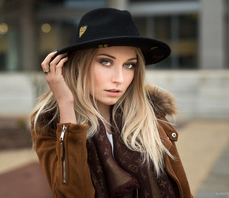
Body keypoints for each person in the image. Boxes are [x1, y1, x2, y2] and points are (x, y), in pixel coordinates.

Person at [30, 8, 193, 198]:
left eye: (129, 65)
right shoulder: (51, 124)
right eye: (106, 62)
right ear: (79, 64)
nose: (119, 78)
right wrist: (66, 104)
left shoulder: (151, 116)